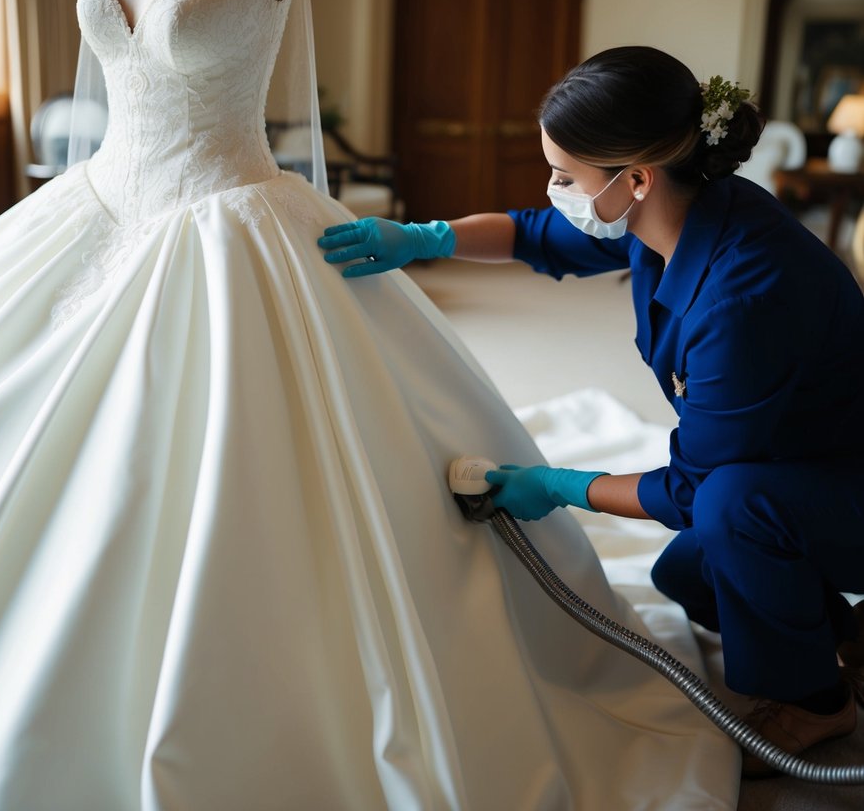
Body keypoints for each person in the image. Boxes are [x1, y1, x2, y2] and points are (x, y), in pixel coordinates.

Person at [0, 0, 739, 809]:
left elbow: (549, 237)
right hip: (94, 208)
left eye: (573, 175)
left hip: (230, 219)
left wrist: (428, 246)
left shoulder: (740, 280)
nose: (562, 189)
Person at [320, 45, 864, 777]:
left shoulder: (742, 295)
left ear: (635, 178)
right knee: (688, 578)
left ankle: (821, 704)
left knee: (727, 511)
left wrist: (558, 487)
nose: (553, 190)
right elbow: (534, 234)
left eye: (565, 176)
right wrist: (425, 238)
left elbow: (690, 489)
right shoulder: (679, 209)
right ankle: (846, 637)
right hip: (797, 457)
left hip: (841, 478)